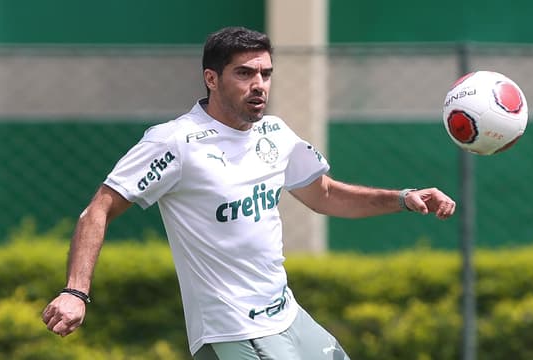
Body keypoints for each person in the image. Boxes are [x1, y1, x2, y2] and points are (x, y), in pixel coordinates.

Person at [41, 26, 456, 360]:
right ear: (212, 78)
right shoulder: (175, 143)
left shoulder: (275, 134)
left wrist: (402, 198)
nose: (259, 84)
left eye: (265, 74)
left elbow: (325, 195)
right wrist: (75, 291)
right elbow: (97, 210)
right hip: (231, 331)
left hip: (288, 316)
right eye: (244, 73)